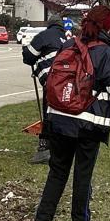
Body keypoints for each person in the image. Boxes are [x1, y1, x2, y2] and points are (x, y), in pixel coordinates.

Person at [22, 6, 110, 221]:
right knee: (82, 175)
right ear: (108, 26)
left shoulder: (69, 46)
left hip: (57, 118)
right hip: (88, 123)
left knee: (57, 172)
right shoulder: (108, 54)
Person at [21, 16, 67, 165]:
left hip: (52, 81)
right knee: (63, 112)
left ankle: (45, 149)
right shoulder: (66, 38)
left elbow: (28, 57)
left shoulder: (45, 36)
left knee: (49, 112)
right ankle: (63, 146)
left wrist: (26, 49)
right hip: (69, 83)